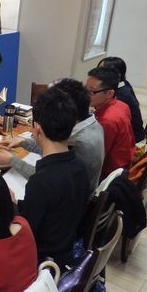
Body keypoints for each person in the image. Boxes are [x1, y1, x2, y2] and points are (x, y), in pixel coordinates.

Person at [14, 87, 90, 268]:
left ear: (37, 128)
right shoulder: (81, 167)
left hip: (41, 261)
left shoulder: (41, 181)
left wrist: (10, 206)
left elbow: (25, 233)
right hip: (65, 248)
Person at [0, 78, 104, 194]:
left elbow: (48, 178)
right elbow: (52, 147)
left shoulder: (81, 143)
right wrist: (23, 142)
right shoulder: (90, 123)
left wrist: (13, 161)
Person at [86, 67, 135, 180]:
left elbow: (97, 157)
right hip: (125, 164)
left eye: (92, 91)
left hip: (109, 176)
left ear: (109, 93)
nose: (86, 94)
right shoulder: (121, 105)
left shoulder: (107, 121)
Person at [98, 56, 145, 142]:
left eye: (102, 71)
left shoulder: (121, 95)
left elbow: (110, 120)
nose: (97, 74)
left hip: (132, 139)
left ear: (117, 74)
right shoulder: (123, 84)